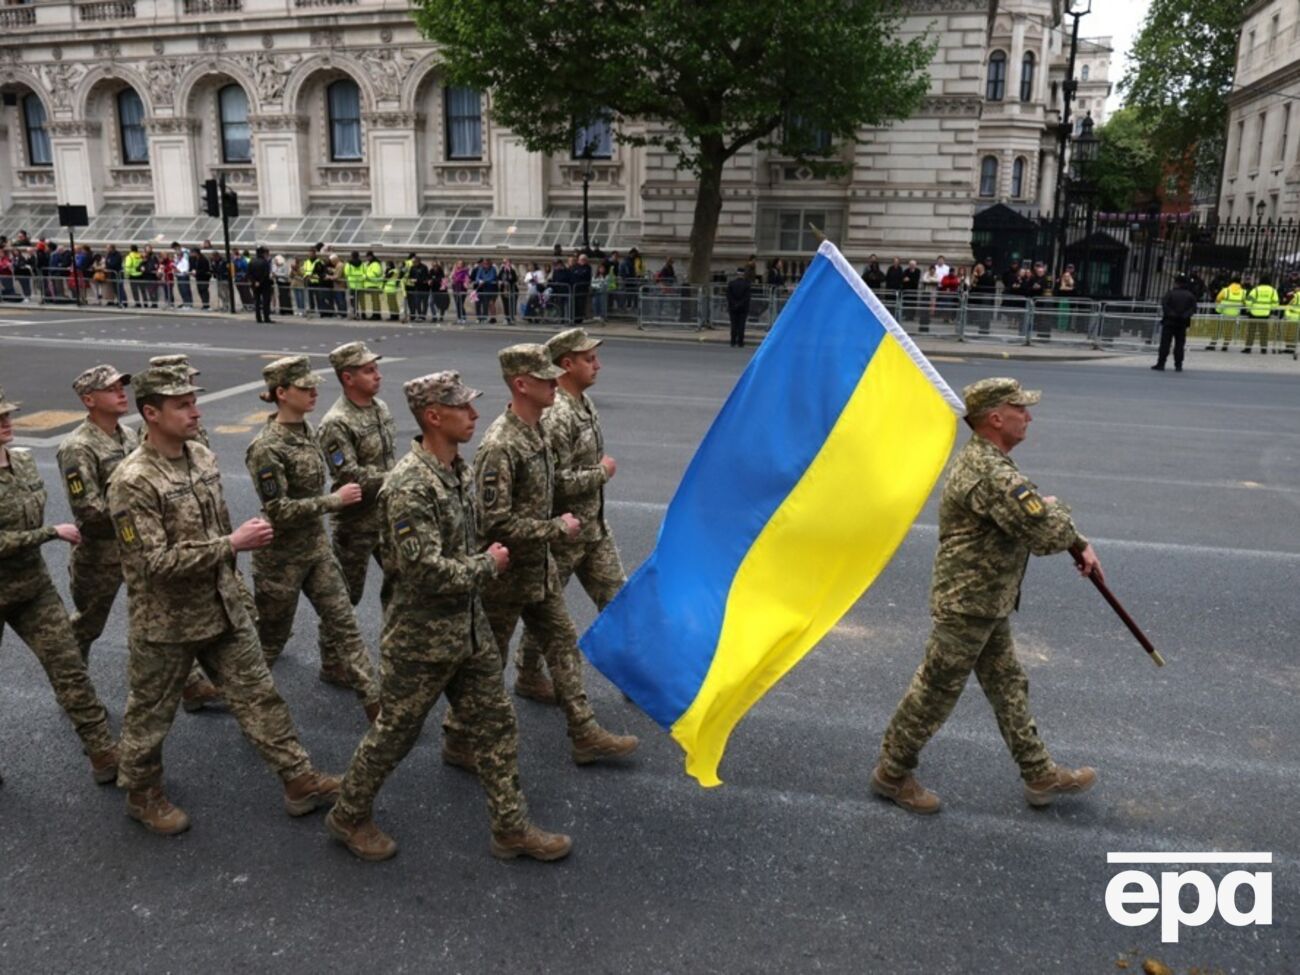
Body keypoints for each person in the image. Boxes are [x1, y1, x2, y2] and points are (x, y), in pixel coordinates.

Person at [325, 371, 574, 863]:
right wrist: (490, 564)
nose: (475, 415)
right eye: (463, 408)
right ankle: (348, 815)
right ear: (434, 416)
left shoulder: (456, 470)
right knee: (394, 735)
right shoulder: (410, 486)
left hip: (468, 629)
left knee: (498, 723)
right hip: (421, 639)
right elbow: (423, 573)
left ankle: (511, 828)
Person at [107, 365, 341, 835]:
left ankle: (298, 780)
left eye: (195, 401)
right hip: (167, 621)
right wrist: (231, 545)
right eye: (182, 404)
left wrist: (233, 578)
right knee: (149, 716)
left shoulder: (201, 457)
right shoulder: (131, 481)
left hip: (221, 607)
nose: (195, 411)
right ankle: (142, 793)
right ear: (151, 413)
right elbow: (152, 562)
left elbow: (217, 527)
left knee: (259, 697)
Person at [872, 377, 1102, 814]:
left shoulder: (991, 463)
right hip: (968, 603)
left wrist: (1064, 525)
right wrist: (1060, 515)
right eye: (1021, 409)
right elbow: (1047, 531)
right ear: (996, 418)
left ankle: (1039, 774)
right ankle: (891, 773)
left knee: (1007, 684)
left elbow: (1034, 519)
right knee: (935, 690)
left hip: (986, 600)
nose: (1029, 416)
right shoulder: (990, 472)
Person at [441, 344, 638, 770]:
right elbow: (494, 523)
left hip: (540, 567)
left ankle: (584, 733)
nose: (554, 384)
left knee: (563, 643)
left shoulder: (540, 431)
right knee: (486, 662)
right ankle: (457, 738)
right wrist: (555, 530)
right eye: (546, 378)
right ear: (521, 384)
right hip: (505, 576)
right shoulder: (500, 444)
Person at [243, 357, 380, 718]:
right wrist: (333, 501)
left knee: (344, 624)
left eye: (313, 386)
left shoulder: (308, 432)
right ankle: (247, 703)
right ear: (281, 393)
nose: (313, 392)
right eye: (305, 388)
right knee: (270, 640)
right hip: (280, 558)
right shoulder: (266, 448)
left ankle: (377, 706)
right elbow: (278, 510)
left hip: (316, 551)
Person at [1, 385, 120, 788]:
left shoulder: (22, 461)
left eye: (6, 414)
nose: (5, 422)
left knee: (69, 668)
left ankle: (103, 752)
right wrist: (48, 532)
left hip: (32, 588)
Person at [514, 329, 625, 705]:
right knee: (546, 609)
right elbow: (553, 481)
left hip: (593, 528)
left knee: (618, 601)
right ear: (566, 364)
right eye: (588, 359)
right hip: (565, 531)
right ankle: (528, 673)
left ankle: (632, 675)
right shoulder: (557, 414)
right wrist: (601, 474)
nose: (597, 365)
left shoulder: (582, 401)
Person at [317, 342, 397, 607]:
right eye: (369, 370)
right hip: (356, 524)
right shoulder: (336, 422)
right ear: (348, 378)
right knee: (346, 598)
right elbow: (349, 475)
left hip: (386, 516)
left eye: (376, 368)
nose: (378, 375)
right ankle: (335, 646)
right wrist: (395, 478)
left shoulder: (380, 408)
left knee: (403, 588)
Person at [1153, 275, 1197, 372]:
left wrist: (1172, 314)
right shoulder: (1190, 295)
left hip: (1169, 322)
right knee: (1179, 345)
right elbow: (1193, 309)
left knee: (1165, 343)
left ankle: (1161, 363)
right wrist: (1184, 315)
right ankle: (1178, 365)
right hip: (1182, 323)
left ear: (1176, 283)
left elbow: (1164, 305)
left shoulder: (1170, 294)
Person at [1242, 276, 1280, 353]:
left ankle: (1248, 348)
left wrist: (1249, 309)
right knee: (1264, 332)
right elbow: (1276, 303)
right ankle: (1263, 349)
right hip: (1265, 314)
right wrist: (1271, 309)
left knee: (1251, 331)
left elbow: (1248, 301)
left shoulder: (1256, 290)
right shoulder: (1273, 291)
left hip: (1254, 313)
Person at [1207, 274, 1245, 351]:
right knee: (1229, 330)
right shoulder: (1243, 292)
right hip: (1234, 313)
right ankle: (1225, 345)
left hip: (1222, 312)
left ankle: (1213, 344)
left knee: (1217, 328)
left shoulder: (1226, 290)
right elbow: (1244, 302)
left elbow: (1218, 299)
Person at [726, 267, 752, 348]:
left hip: (733, 307)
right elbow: (747, 297)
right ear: (743, 274)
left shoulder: (731, 283)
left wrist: (734, 303)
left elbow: (728, 295)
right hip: (743, 307)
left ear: (737, 273)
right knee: (741, 325)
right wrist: (740, 303)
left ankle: (733, 341)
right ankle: (740, 341)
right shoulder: (747, 284)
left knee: (734, 324)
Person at [248, 246, 274, 324]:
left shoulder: (251, 261)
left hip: (255, 285)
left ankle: (258, 317)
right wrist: (260, 282)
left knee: (257, 301)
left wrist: (255, 282)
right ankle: (266, 317)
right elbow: (266, 274)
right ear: (263, 253)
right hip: (265, 285)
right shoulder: (265, 262)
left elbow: (249, 274)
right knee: (266, 301)